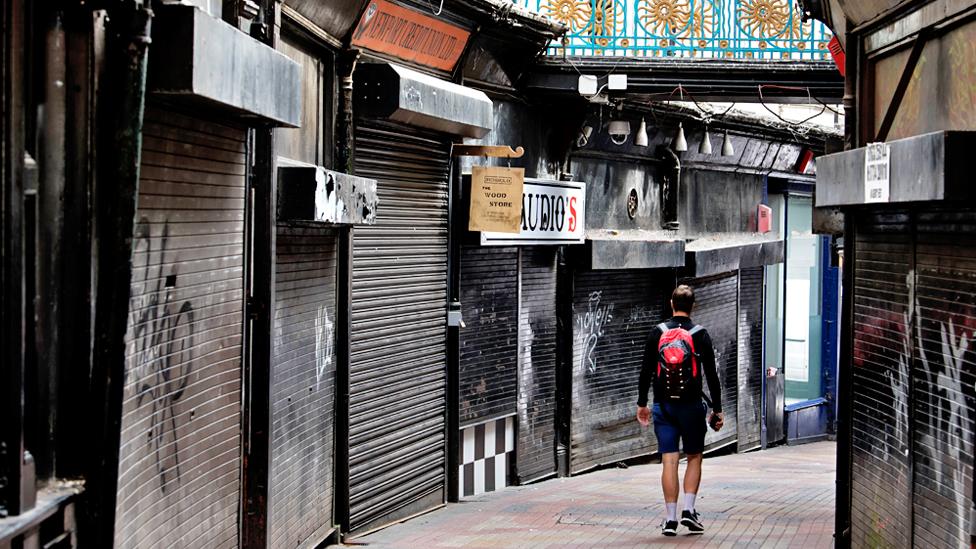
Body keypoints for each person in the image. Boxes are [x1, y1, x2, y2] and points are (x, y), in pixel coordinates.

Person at [636, 284, 724, 537]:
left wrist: (643, 403)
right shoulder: (700, 334)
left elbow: (645, 371)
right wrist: (717, 409)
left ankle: (671, 519)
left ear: (671, 303)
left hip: (664, 406)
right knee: (694, 456)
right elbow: (711, 375)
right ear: (693, 306)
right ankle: (689, 509)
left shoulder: (657, 332)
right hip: (692, 407)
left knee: (669, 460)